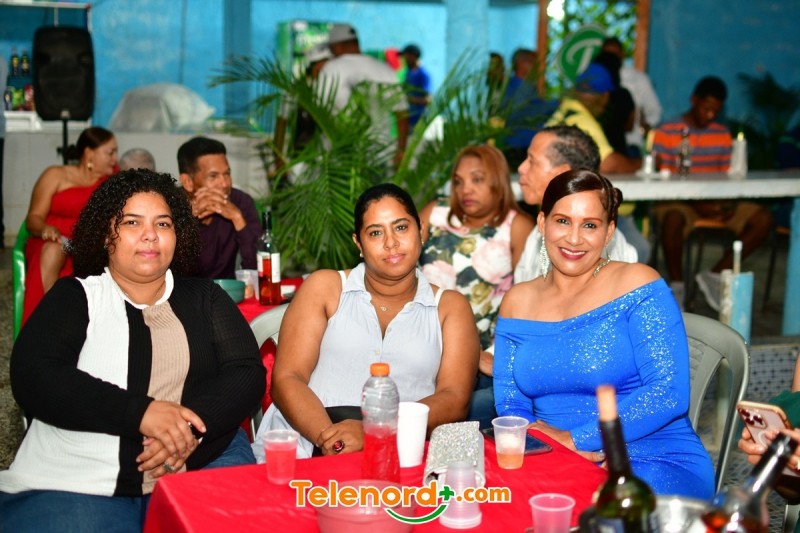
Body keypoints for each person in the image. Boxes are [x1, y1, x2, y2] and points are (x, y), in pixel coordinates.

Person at [0, 169, 265, 532]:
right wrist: (143, 413)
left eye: (163, 223)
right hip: (82, 473)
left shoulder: (205, 297)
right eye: (132, 222)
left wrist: (188, 428)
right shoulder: (75, 296)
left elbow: (246, 371)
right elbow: (35, 374)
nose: (150, 235)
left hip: (203, 455)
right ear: (105, 233)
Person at [494, 169, 715, 499]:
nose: (574, 239)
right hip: (556, 456)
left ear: (609, 231)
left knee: (602, 509)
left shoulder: (636, 284)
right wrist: (543, 448)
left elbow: (668, 393)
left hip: (653, 457)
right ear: (542, 223)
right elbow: (512, 404)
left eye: (590, 225)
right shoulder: (517, 301)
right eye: (563, 221)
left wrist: (575, 440)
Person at [252, 183, 479, 460]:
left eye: (401, 227)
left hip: (401, 450)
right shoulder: (325, 288)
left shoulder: (450, 307)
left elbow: (454, 398)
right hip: (305, 443)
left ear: (421, 230)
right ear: (358, 243)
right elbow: (288, 378)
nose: (391, 242)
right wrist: (333, 441)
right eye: (375, 233)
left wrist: (375, 434)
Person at [419, 144, 534, 429]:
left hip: (483, 358)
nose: (465, 189)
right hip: (423, 344)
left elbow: (531, 303)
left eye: (477, 179)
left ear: (498, 181)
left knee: (470, 409)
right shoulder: (436, 213)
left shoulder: (516, 226)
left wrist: (492, 355)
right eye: (459, 181)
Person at [653, 76, 773, 309]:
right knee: (672, 219)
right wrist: (699, 203)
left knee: (763, 219)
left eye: (716, 111)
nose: (710, 115)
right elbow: (664, 179)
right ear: (694, 100)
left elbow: (727, 176)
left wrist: (727, 204)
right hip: (677, 199)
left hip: (714, 198)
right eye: (706, 108)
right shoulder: (668, 131)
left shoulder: (721, 133)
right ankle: (678, 285)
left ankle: (714, 274)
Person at [545, 63, 650, 262]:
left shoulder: (562, 112)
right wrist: (641, 163)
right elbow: (608, 163)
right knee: (639, 250)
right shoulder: (582, 120)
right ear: (604, 97)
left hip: (561, 206)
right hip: (580, 210)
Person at [514, 124, 638, 283]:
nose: (521, 168)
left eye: (532, 161)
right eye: (562, 221)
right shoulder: (538, 232)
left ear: (563, 174)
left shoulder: (598, 244)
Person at [22, 126, 118, 324]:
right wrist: (45, 229)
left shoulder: (112, 183)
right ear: (89, 153)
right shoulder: (55, 175)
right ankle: (46, 321)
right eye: (110, 153)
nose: (115, 159)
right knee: (53, 249)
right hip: (51, 241)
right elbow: (34, 218)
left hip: (87, 247)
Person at [319, 23, 409, 166]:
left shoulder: (331, 69)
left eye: (331, 48)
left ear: (338, 46)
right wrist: (401, 150)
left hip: (341, 157)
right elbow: (402, 114)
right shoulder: (385, 70)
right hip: (379, 156)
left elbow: (320, 111)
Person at [177, 136, 261, 279]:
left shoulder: (240, 202)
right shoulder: (169, 207)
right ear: (187, 182)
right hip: (182, 292)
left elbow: (259, 267)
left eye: (227, 174)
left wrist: (237, 218)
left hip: (228, 290)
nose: (224, 184)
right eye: (213, 176)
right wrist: (187, 220)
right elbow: (164, 272)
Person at [601, 36, 662, 157]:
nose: (611, 58)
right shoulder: (597, 79)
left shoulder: (638, 79)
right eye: (607, 55)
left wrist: (644, 126)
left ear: (622, 54)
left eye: (614, 55)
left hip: (630, 144)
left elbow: (655, 110)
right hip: (602, 143)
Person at [499, 48, 557, 169]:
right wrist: (554, 104)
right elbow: (521, 113)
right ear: (521, 64)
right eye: (533, 62)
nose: (537, 67)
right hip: (520, 145)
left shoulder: (519, 85)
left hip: (521, 144)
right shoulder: (519, 87)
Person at [400, 44, 431, 132]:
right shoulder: (408, 72)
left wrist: (408, 99)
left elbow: (427, 100)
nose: (404, 60)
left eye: (406, 57)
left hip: (419, 120)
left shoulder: (423, 74)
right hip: (408, 119)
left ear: (413, 56)